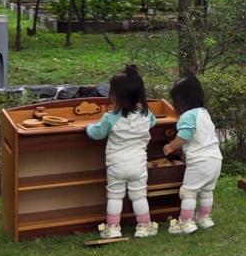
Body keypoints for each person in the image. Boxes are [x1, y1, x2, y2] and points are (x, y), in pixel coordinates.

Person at [87, 65, 159, 239]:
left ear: (115, 95)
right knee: (140, 196)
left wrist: (88, 127)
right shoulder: (146, 114)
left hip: (116, 165)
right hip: (138, 165)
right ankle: (144, 226)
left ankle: (112, 228)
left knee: (115, 196)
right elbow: (153, 123)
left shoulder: (110, 118)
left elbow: (96, 133)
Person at [163, 74, 223, 235]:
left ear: (181, 101)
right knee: (207, 191)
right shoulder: (204, 112)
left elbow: (184, 136)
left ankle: (186, 222)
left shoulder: (187, 116)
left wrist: (170, 147)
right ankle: (204, 218)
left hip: (199, 161)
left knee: (188, 192)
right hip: (215, 160)